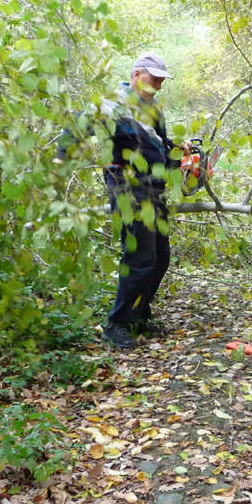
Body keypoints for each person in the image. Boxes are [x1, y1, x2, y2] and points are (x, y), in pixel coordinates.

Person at [58, 53, 191, 348]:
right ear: (136, 74)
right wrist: (60, 159)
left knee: (160, 259)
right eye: (154, 78)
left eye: (161, 80)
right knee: (140, 258)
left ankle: (138, 316)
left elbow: (159, 149)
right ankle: (116, 325)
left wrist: (180, 153)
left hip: (154, 190)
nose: (158, 84)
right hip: (128, 187)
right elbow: (81, 124)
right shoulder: (115, 102)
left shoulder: (153, 109)